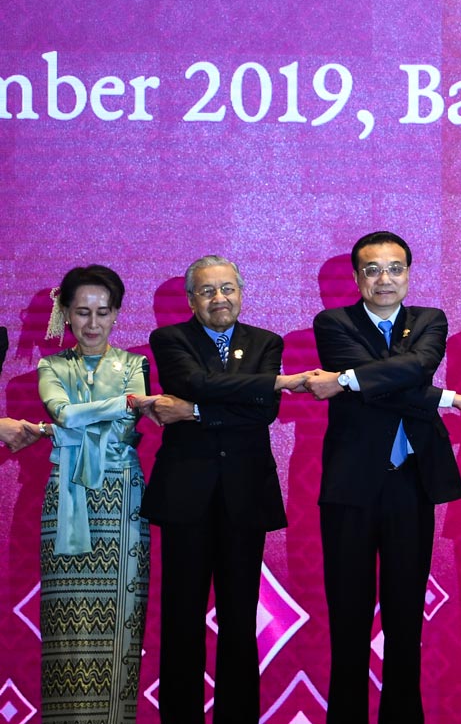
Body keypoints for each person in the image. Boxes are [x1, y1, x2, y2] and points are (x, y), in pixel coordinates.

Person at [305, 231, 461, 724]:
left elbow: (418, 365)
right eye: (373, 270)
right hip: (350, 487)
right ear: (357, 277)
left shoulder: (429, 320)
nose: (384, 279)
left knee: (404, 616)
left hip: (410, 482)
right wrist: (443, 397)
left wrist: (349, 381)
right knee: (349, 616)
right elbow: (406, 379)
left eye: (395, 268)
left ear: (408, 274)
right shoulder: (332, 322)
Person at [139, 255, 309, 724]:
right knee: (181, 618)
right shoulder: (169, 338)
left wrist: (194, 412)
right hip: (185, 496)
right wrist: (266, 384)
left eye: (228, 288)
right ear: (192, 299)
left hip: (245, 495)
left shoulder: (265, 341)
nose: (220, 299)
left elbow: (263, 412)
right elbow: (190, 381)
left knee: (239, 619)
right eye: (208, 291)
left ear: (241, 291)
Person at [36, 264, 149, 724]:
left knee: (123, 620)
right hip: (66, 498)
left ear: (117, 314)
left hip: (123, 500)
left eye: (103, 311)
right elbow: (62, 412)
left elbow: (128, 421)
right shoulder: (50, 365)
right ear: (66, 313)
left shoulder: (135, 364)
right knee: (67, 623)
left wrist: (88, 418)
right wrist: (117, 404)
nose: (92, 322)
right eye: (81, 312)